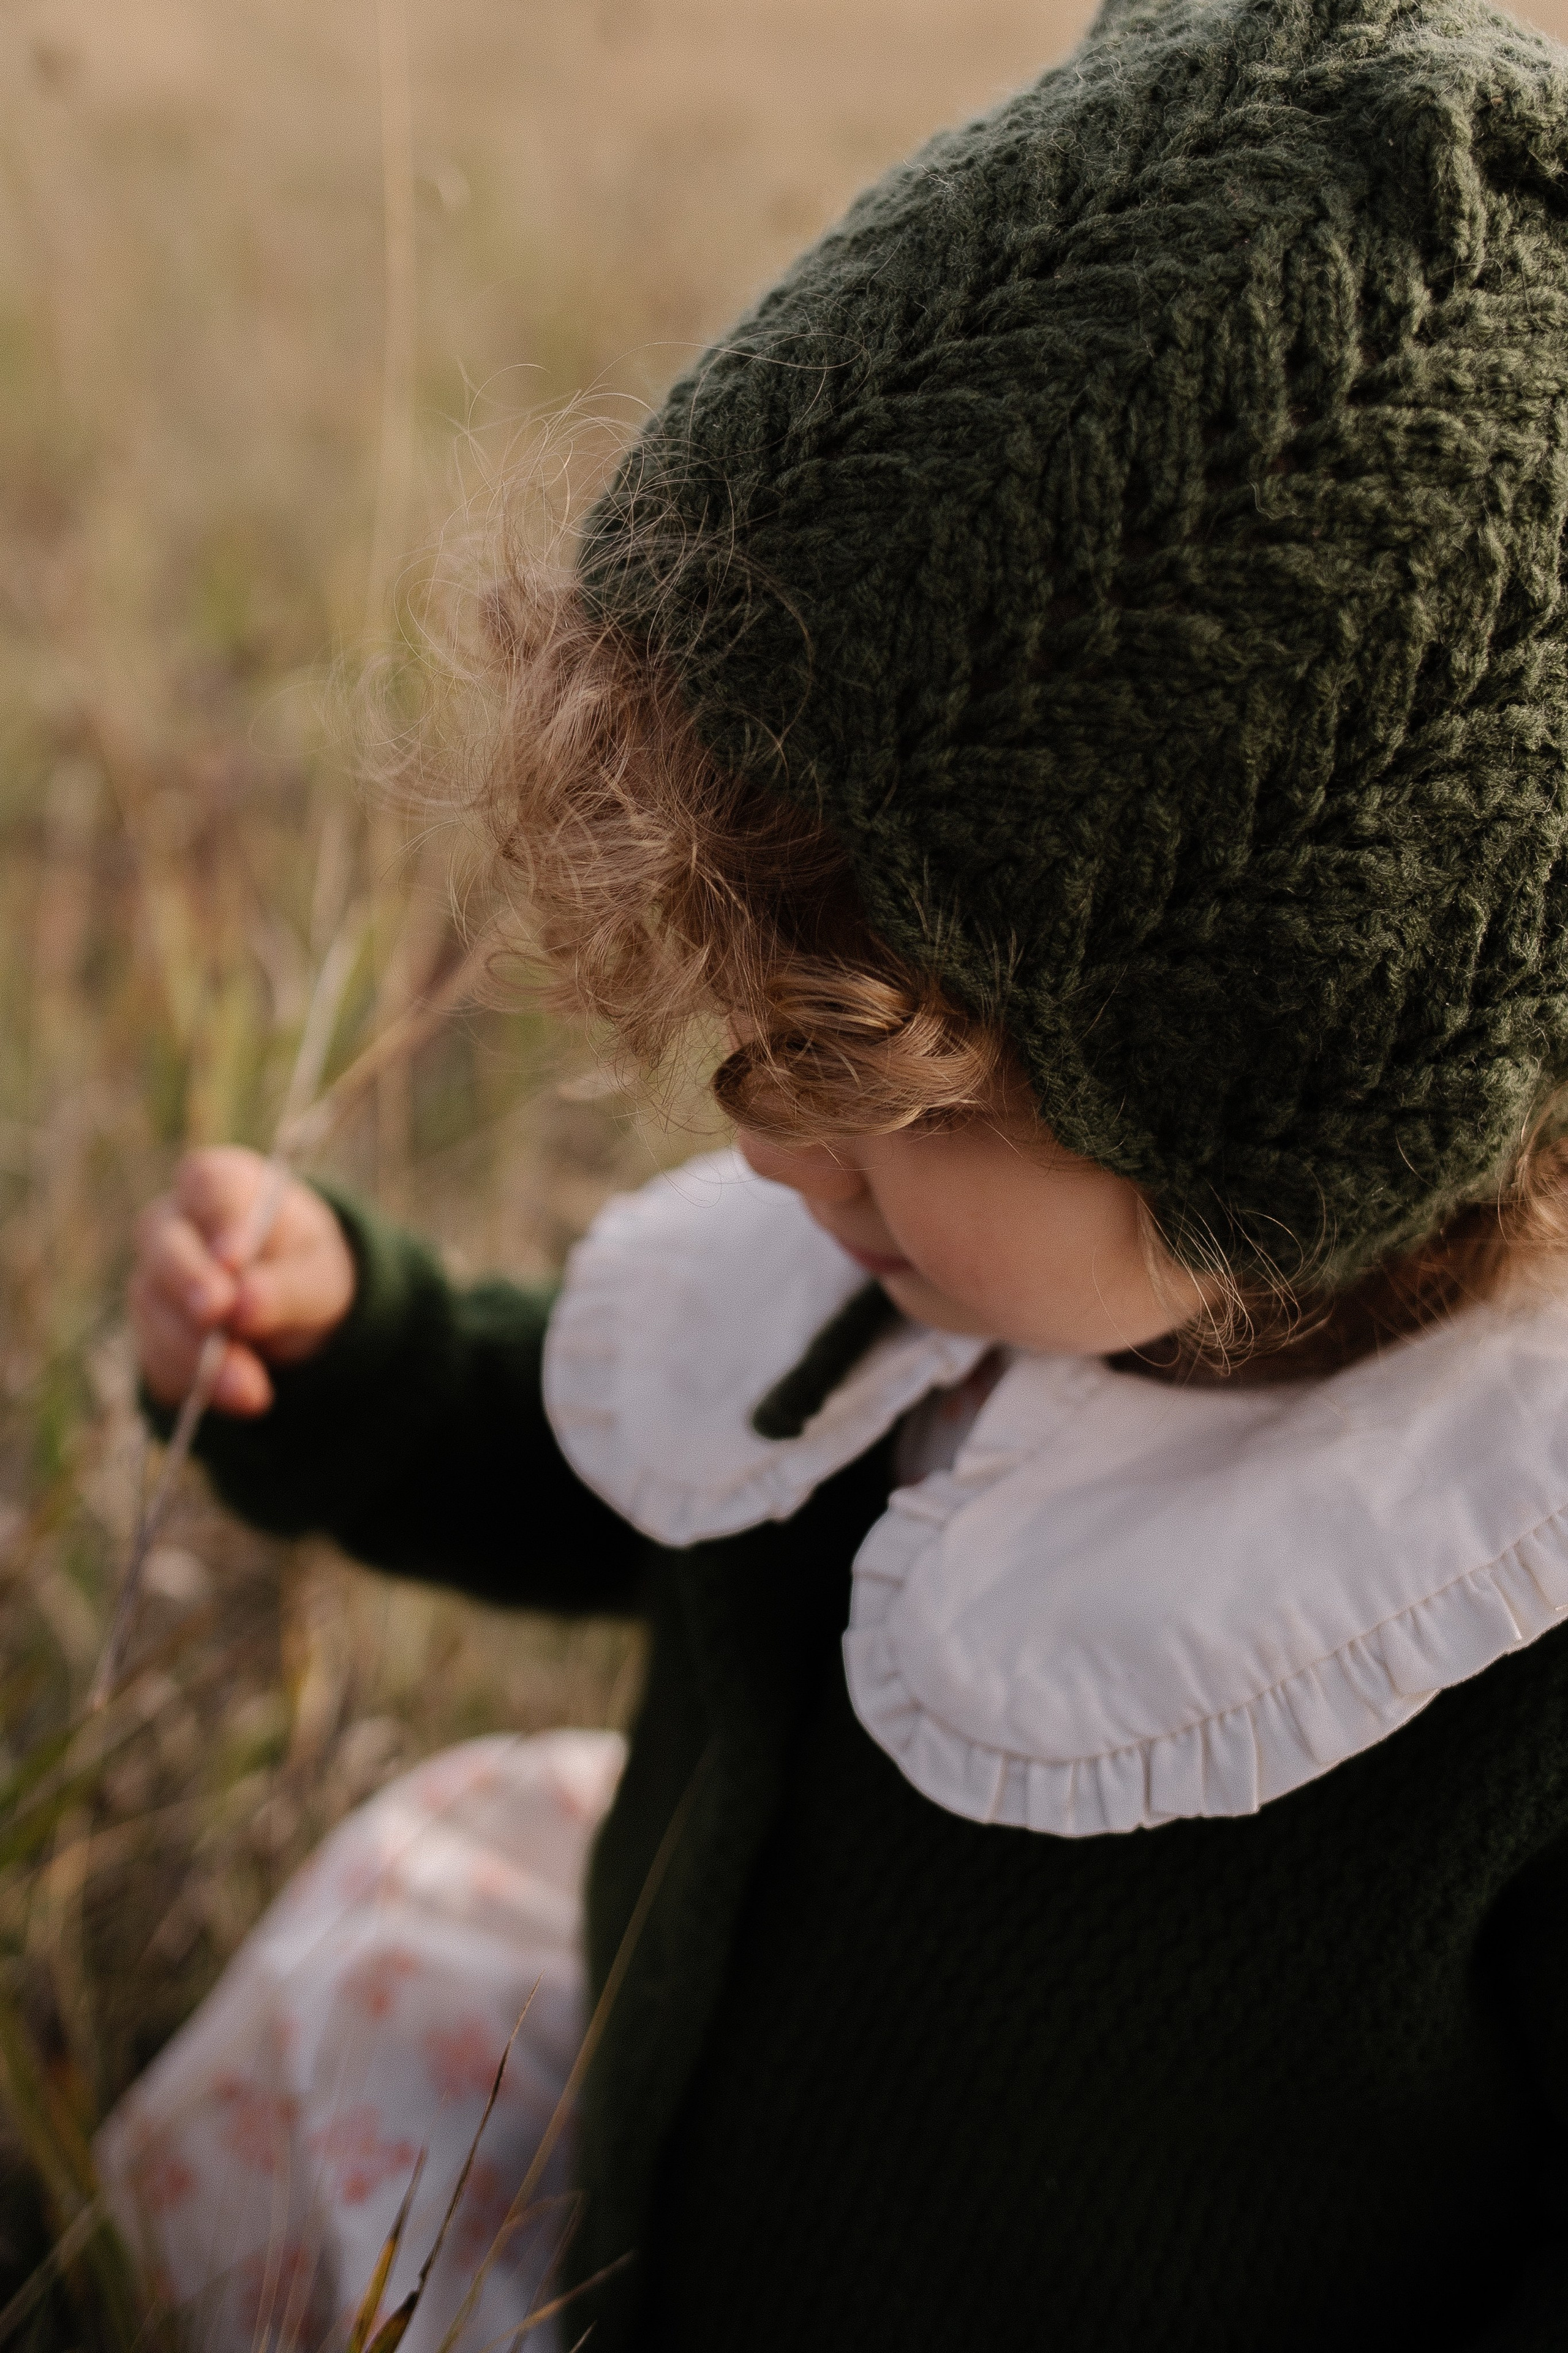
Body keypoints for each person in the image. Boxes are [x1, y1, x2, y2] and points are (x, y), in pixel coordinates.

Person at [105, 0, 1568, 2343]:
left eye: (898, 1090)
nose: (774, 1142)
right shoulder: (963, 1277)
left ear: (1300, 1093)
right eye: (760, 1042)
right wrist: (350, 1350)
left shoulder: (1486, 1594)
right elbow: (623, 1476)